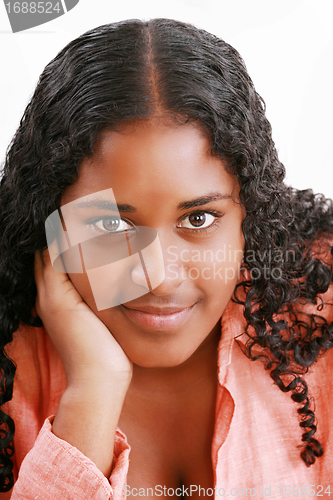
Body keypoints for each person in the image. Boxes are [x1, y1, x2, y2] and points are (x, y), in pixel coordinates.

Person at [0, 18, 332, 499]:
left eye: (198, 219)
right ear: (51, 221)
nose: (158, 277)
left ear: (250, 214)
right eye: (112, 224)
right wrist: (91, 393)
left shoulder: (317, 308)